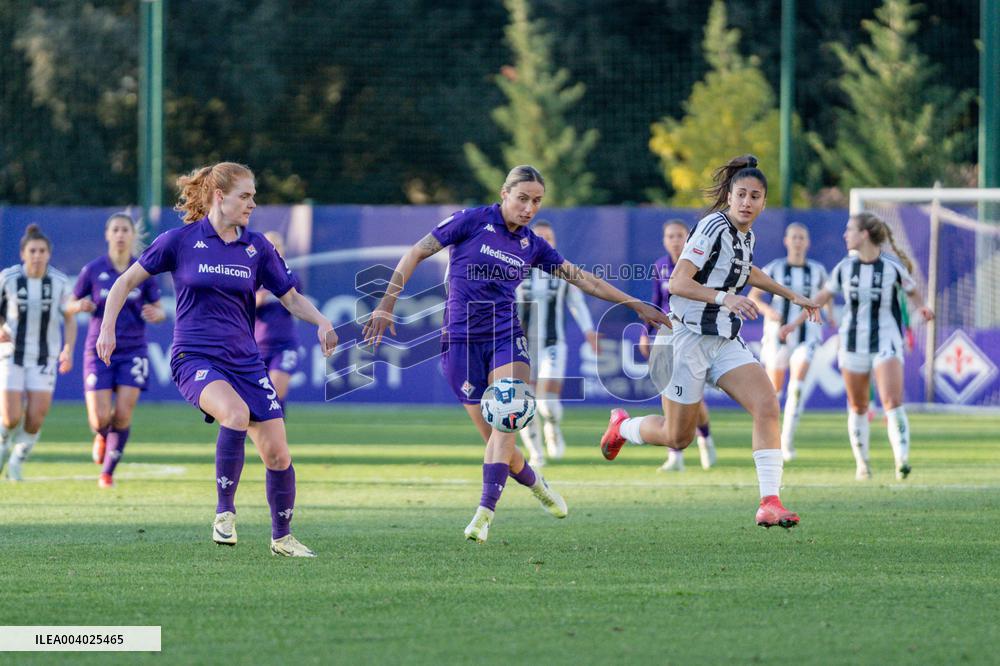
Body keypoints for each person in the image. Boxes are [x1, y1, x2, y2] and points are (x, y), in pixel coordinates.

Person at [363, 165, 670, 543]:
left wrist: (635, 304)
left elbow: (584, 279)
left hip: (506, 337)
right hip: (459, 343)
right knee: (499, 445)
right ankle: (537, 483)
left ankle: (484, 514)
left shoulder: (532, 245)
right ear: (504, 193)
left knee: (507, 415)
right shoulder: (471, 221)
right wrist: (386, 304)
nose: (529, 208)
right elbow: (415, 252)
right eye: (522, 198)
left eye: (537, 201)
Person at [96, 162, 337, 557]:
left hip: (246, 362)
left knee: (278, 454)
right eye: (245, 196)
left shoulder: (257, 247)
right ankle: (225, 512)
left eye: (254, 196)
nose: (253, 204)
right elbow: (125, 282)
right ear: (219, 196)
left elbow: (291, 298)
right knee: (235, 414)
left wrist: (322, 321)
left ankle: (282, 538)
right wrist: (107, 328)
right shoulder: (180, 240)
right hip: (195, 357)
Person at [599, 154, 819, 529]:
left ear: (764, 203)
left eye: (755, 196)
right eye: (741, 194)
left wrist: (791, 295)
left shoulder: (746, 236)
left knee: (767, 404)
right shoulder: (712, 226)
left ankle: (769, 502)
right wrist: (724, 298)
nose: (747, 202)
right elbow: (678, 283)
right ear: (730, 197)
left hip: (723, 339)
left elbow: (746, 271)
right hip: (685, 339)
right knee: (677, 438)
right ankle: (622, 427)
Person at [808, 212, 933, 480]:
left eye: (850, 230)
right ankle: (862, 464)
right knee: (858, 405)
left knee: (892, 401)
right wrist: (796, 318)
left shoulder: (891, 267)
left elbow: (911, 290)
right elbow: (824, 294)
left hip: (886, 339)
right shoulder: (844, 267)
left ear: (864, 234)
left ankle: (902, 461)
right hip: (852, 343)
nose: (845, 235)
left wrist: (922, 307)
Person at [67, 213, 166, 488]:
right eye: (116, 230)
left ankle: (107, 472)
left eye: (125, 230)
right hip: (98, 349)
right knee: (99, 418)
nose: (120, 234)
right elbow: (69, 305)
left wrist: (156, 314)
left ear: (133, 235)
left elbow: (160, 310)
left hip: (133, 350)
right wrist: (79, 306)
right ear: (107, 234)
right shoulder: (93, 270)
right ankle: (101, 436)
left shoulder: (143, 271)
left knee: (122, 414)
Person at [514, 220, 599, 467]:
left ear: (554, 242)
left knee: (546, 402)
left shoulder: (562, 269)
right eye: (539, 237)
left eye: (548, 238)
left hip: (553, 343)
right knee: (523, 401)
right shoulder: (514, 267)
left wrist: (589, 331)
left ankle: (552, 426)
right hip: (521, 345)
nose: (544, 241)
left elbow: (577, 303)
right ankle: (536, 454)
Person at [748, 223, 833, 462]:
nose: (797, 241)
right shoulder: (774, 268)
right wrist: (768, 311)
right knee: (774, 392)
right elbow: (754, 297)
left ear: (807, 243)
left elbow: (826, 295)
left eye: (801, 238)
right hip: (778, 335)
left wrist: (831, 314)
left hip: (808, 334)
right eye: (793, 237)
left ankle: (786, 441)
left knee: (797, 387)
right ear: (786, 241)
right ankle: (773, 439)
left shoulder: (817, 271)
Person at [638, 219, 717, 472]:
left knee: (693, 398)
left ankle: (705, 438)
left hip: (692, 335)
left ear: (688, 238)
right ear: (664, 240)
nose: (675, 240)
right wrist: (645, 333)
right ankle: (675, 457)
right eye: (670, 236)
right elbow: (656, 301)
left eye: (679, 235)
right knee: (669, 392)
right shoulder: (660, 266)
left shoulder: (698, 264)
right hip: (666, 336)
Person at [0, 224, 76, 481]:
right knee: (10, 418)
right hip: (11, 354)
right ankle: (2, 444)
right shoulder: (8, 278)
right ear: (23, 253)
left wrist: (68, 349)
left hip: (45, 357)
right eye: (32, 251)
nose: (37, 255)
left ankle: (16, 463)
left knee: (35, 418)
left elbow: (69, 317)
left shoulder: (59, 282)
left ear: (49, 254)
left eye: (42, 251)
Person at [255, 231, 302, 413]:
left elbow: (296, 306)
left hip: (283, 345)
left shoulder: (290, 278)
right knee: (258, 399)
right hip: (255, 348)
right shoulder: (250, 278)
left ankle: (277, 429)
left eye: (277, 247)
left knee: (274, 393)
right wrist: (255, 301)